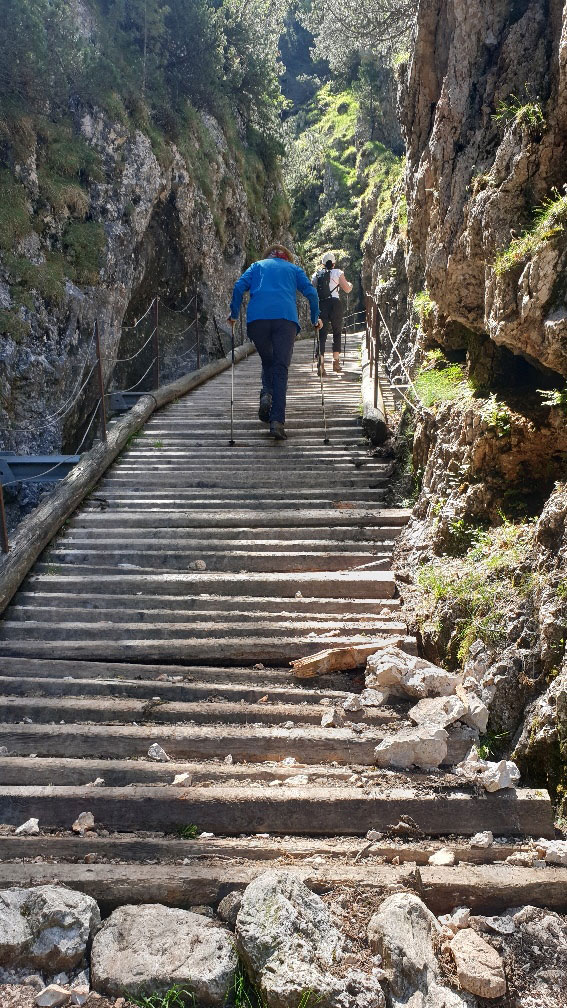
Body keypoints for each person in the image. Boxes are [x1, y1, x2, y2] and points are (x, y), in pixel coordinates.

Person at [228, 244, 322, 441]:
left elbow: (238, 287)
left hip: (258, 320)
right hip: (285, 320)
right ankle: (277, 421)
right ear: (287, 258)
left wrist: (234, 314)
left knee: (268, 360)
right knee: (280, 367)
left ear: (268, 256)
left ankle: (266, 394)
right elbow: (312, 293)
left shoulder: (256, 266)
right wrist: (315, 318)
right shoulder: (294, 269)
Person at [312, 253, 353, 375]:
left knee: (322, 334)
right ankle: (336, 362)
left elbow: (312, 290)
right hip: (335, 304)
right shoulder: (338, 273)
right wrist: (350, 285)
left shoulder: (316, 275)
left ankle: (321, 363)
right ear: (334, 263)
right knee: (337, 332)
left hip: (322, 304)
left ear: (323, 264)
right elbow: (347, 289)